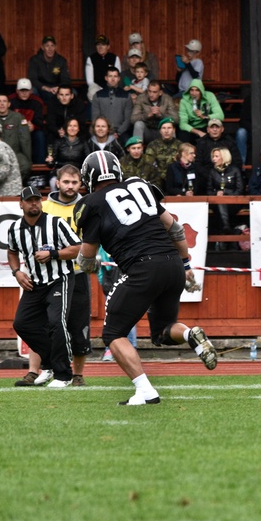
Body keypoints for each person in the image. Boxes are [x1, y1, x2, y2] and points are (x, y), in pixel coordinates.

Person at [74, 150, 218, 405]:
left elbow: (87, 258)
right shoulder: (140, 185)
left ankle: (145, 391)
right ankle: (190, 334)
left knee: (113, 333)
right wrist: (185, 265)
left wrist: (87, 263)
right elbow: (173, 227)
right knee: (162, 331)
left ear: (89, 177)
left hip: (142, 267)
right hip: (172, 264)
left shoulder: (92, 203)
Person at [21, 165, 92, 387]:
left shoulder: (87, 206)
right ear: (57, 183)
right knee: (42, 323)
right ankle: (36, 370)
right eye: (66, 182)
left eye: (74, 182)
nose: (70, 186)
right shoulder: (44, 206)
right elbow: (28, 237)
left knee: (78, 325)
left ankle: (77, 374)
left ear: (80, 184)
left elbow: (92, 237)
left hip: (77, 272)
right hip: (46, 275)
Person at [7, 186, 81, 388]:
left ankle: (64, 375)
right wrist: (17, 272)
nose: (34, 203)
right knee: (22, 324)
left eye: (37, 200)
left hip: (60, 278)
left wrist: (54, 254)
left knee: (57, 323)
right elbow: (12, 252)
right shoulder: (14, 228)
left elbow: (77, 248)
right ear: (21, 204)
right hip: (35, 283)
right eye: (29, 200)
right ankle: (50, 364)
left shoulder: (55, 223)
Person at [0, 92, 31, 178]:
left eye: (4, 101)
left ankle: (13, 186)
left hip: (15, 153)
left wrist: (28, 158)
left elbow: (25, 139)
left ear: (9, 104)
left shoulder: (18, 117)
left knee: (25, 166)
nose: (2, 104)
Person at [206, 146, 243, 239]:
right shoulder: (212, 172)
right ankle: (226, 227)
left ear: (224, 157)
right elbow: (209, 190)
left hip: (233, 202)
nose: (213, 159)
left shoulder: (234, 170)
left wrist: (226, 192)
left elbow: (239, 190)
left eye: (216, 156)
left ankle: (224, 230)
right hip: (216, 203)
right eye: (213, 156)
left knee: (222, 203)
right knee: (220, 202)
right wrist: (216, 193)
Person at [10, 78, 49, 165]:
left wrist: (33, 127)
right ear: (17, 91)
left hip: (32, 130)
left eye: (26, 91)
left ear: (31, 91)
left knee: (40, 135)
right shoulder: (10, 100)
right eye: (22, 90)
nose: (24, 93)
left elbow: (40, 121)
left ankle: (40, 167)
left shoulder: (37, 102)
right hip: (14, 130)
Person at [27, 35, 70, 103]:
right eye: (47, 46)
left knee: (72, 92)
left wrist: (59, 88)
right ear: (43, 47)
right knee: (32, 91)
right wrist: (46, 88)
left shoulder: (61, 60)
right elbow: (33, 79)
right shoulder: (34, 60)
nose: (50, 49)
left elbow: (66, 79)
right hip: (41, 90)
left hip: (56, 90)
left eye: (52, 46)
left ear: (55, 47)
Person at [91, 67, 132, 140]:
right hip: (102, 132)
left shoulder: (127, 95)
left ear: (119, 78)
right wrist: (104, 132)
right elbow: (95, 118)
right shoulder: (97, 95)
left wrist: (118, 133)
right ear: (106, 78)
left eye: (115, 76)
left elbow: (128, 119)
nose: (113, 79)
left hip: (121, 133)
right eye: (110, 76)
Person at [146, 117, 184, 188]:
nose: (166, 131)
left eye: (169, 128)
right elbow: (149, 164)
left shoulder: (180, 145)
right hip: (158, 180)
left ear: (174, 130)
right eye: (163, 128)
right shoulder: (153, 145)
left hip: (175, 179)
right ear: (160, 130)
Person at [85, 34, 121, 101]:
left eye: (103, 45)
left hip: (112, 85)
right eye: (98, 45)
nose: (100, 47)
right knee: (92, 93)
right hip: (96, 86)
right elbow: (90, 81)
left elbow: (117, 76)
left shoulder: (114, 58)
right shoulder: (91, 58)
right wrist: (102, 90)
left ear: (108, 47)